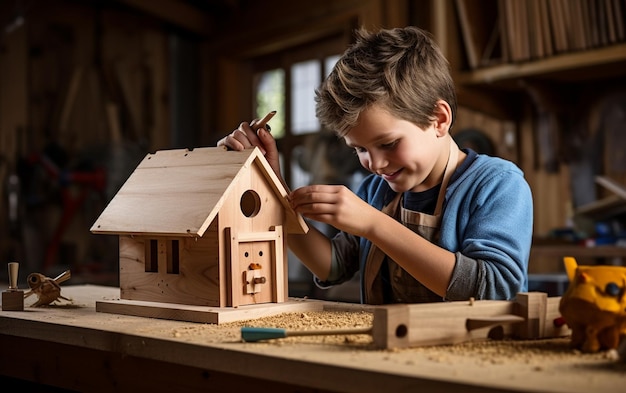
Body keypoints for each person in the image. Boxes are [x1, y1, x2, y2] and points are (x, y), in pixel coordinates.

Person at [218, 26, 533, 304]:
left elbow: (495, 288)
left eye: (389, 144)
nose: (375, 163)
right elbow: (332, 267)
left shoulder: (497, 184)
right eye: (359, 149)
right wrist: (270, 186)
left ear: (439, 119)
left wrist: (373, 224)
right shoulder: (375, 190)